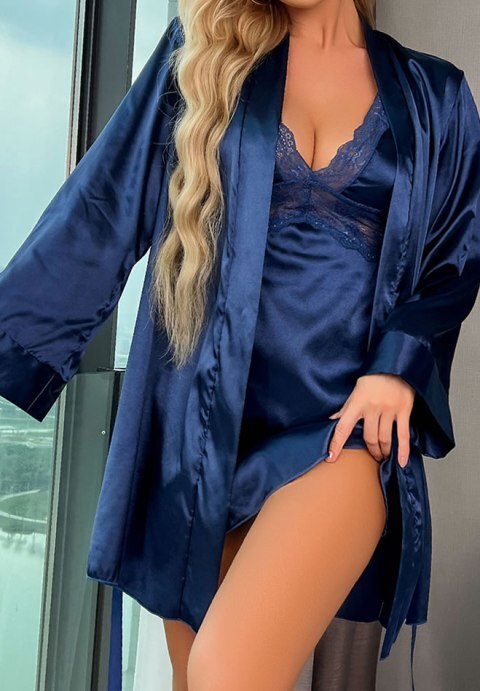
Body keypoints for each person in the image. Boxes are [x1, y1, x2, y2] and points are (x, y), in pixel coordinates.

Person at [1, 1, 479, 690]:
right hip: (198, 440)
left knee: (225, 673)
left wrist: (399, 366)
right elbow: (103, 204)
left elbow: (455, 259)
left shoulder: (436, 97)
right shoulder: (203, 52)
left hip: (341, 431)